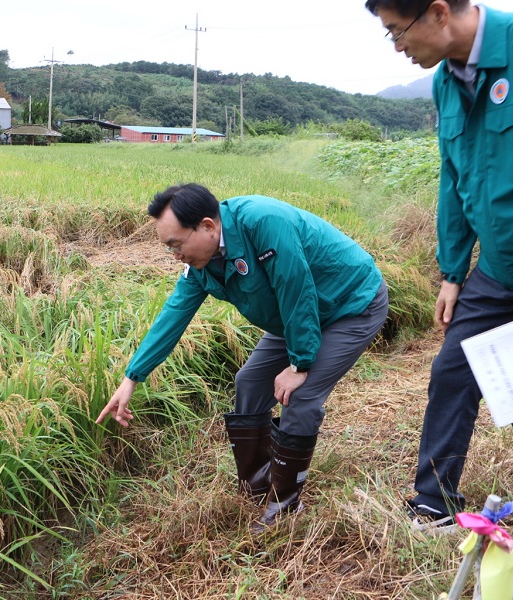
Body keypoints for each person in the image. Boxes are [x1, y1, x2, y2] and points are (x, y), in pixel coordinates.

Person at [365, 0, 513, 558]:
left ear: (439, 13)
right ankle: (434, 502)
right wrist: (452, 271)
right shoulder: (447, 81)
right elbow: (454, 178)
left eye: (397, 32)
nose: (398, 46)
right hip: (495, 264)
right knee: (452, 369)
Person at [95, 183, 388, 526]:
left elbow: (297, 288)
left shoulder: (263, 222)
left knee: (301, 394)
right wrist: (132, 377)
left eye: (176, 245)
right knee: (249, 381)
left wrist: (298, 363)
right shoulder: (202, 263)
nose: (175, 255)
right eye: (168, 248)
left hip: (349, 304)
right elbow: (173, 316)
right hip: (292, 316)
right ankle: (258, 483)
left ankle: (285, 506)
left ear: (207, 226)